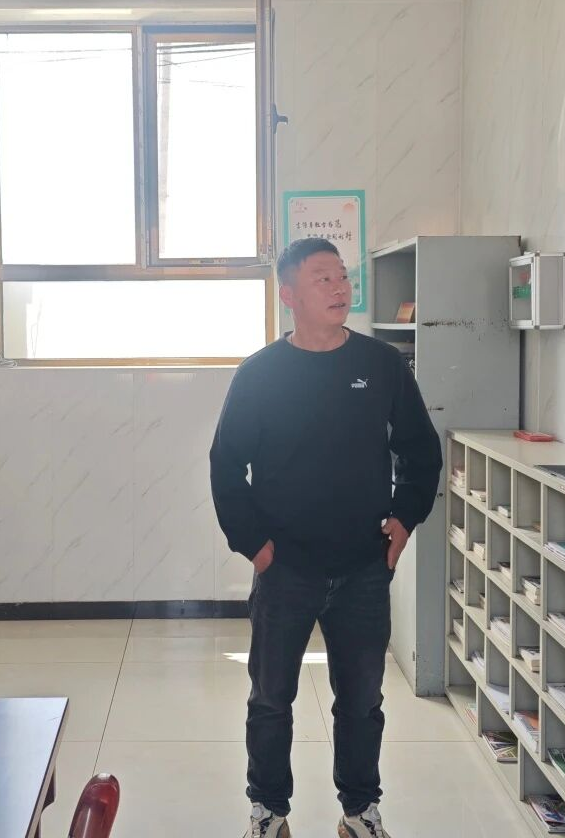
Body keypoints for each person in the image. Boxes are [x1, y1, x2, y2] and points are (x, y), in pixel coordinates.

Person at [211, 238, 442, 838]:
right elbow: (226, 465)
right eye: (323, 278)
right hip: (285, 568)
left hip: (364, 565)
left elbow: (420, 451)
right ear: (288, 294)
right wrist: (255, 546)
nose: (340, 288)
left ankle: (360, 810)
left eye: (342, 277)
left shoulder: (381, 364)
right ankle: (268, 811)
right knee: (270, 699)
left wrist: (404, 521)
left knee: (362, 701)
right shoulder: (260, 373)